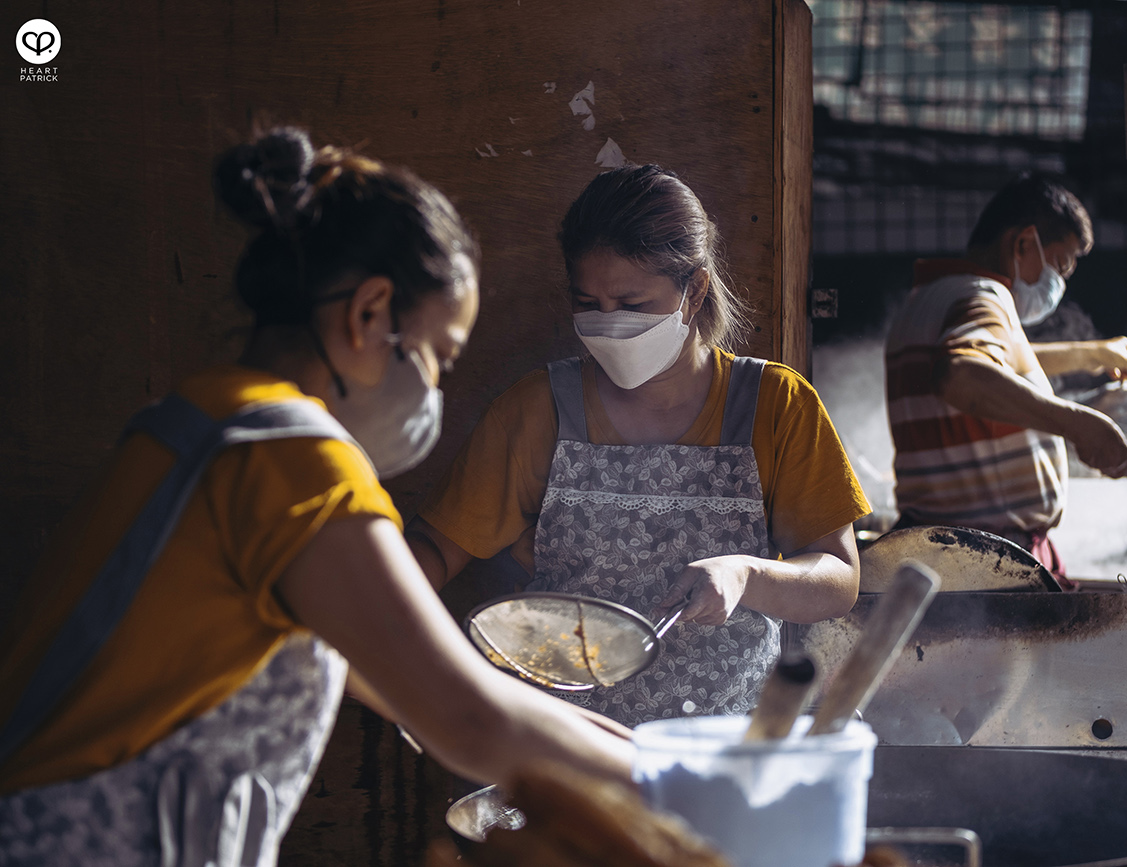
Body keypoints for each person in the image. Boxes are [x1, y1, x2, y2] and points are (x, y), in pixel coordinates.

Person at [0, 127, 631, 866]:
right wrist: (688, 782)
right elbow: (467, 720)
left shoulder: (195, 423)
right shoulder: (293, 457)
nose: (433, 390)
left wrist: (649, 749)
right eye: (437, 357)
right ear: (369, 313)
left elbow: (422, 694)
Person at [407, 165, 869, 728]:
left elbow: (839, 579)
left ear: (693, 290)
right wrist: (366, 623)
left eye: (631, 303)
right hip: (566, 741)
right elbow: (436, 547)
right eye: (589, 303)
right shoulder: (538, 410)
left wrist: (746, 575)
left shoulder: (775, 405)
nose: (608, 324)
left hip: (720, 743)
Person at [884, 172, 1127, 586]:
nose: (1059, 284)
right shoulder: (983, 296)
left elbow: (997, 364)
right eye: (1060, 266)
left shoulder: (928, 299)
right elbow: (961, 375)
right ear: (1024, 242)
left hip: (944, 551)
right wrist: (1078, 424)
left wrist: (1091, 354)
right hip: (990, 564)